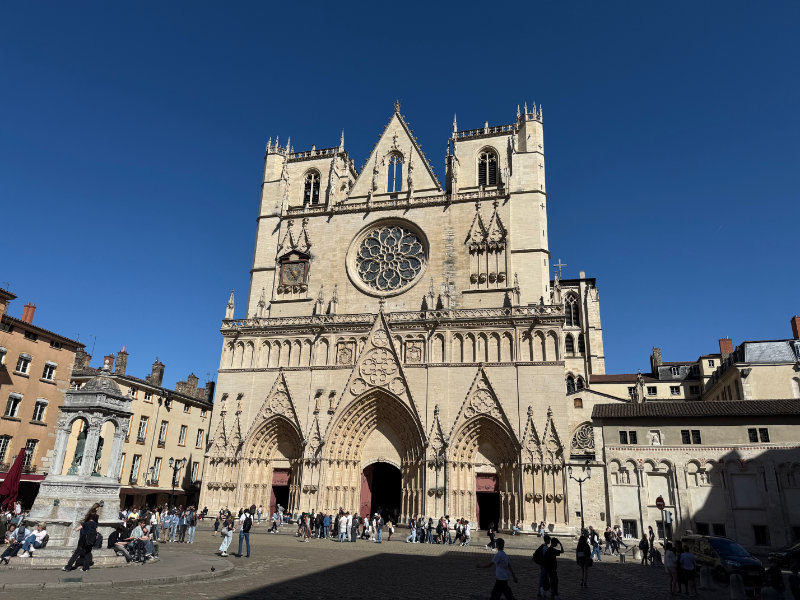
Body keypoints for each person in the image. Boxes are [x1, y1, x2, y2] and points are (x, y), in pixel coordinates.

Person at [63, 505, 99, 571]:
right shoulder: (95, 524)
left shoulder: (86, 523)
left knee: (76, 554)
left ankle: (68, 567)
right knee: (88, 553)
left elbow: (77, 529)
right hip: (90, 541)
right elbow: (96, 531)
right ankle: (85, 568)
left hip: (83, 541)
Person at [533, 533, 550, 598]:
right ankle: (540, 592)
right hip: (544, 565)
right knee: (543, 579)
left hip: (541, 564)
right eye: (549, 540)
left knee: (542, 578)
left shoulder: (542, 546)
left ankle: (540, 592)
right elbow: (545, 557)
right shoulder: (545, 548)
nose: (549, 541)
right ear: (547, 540)